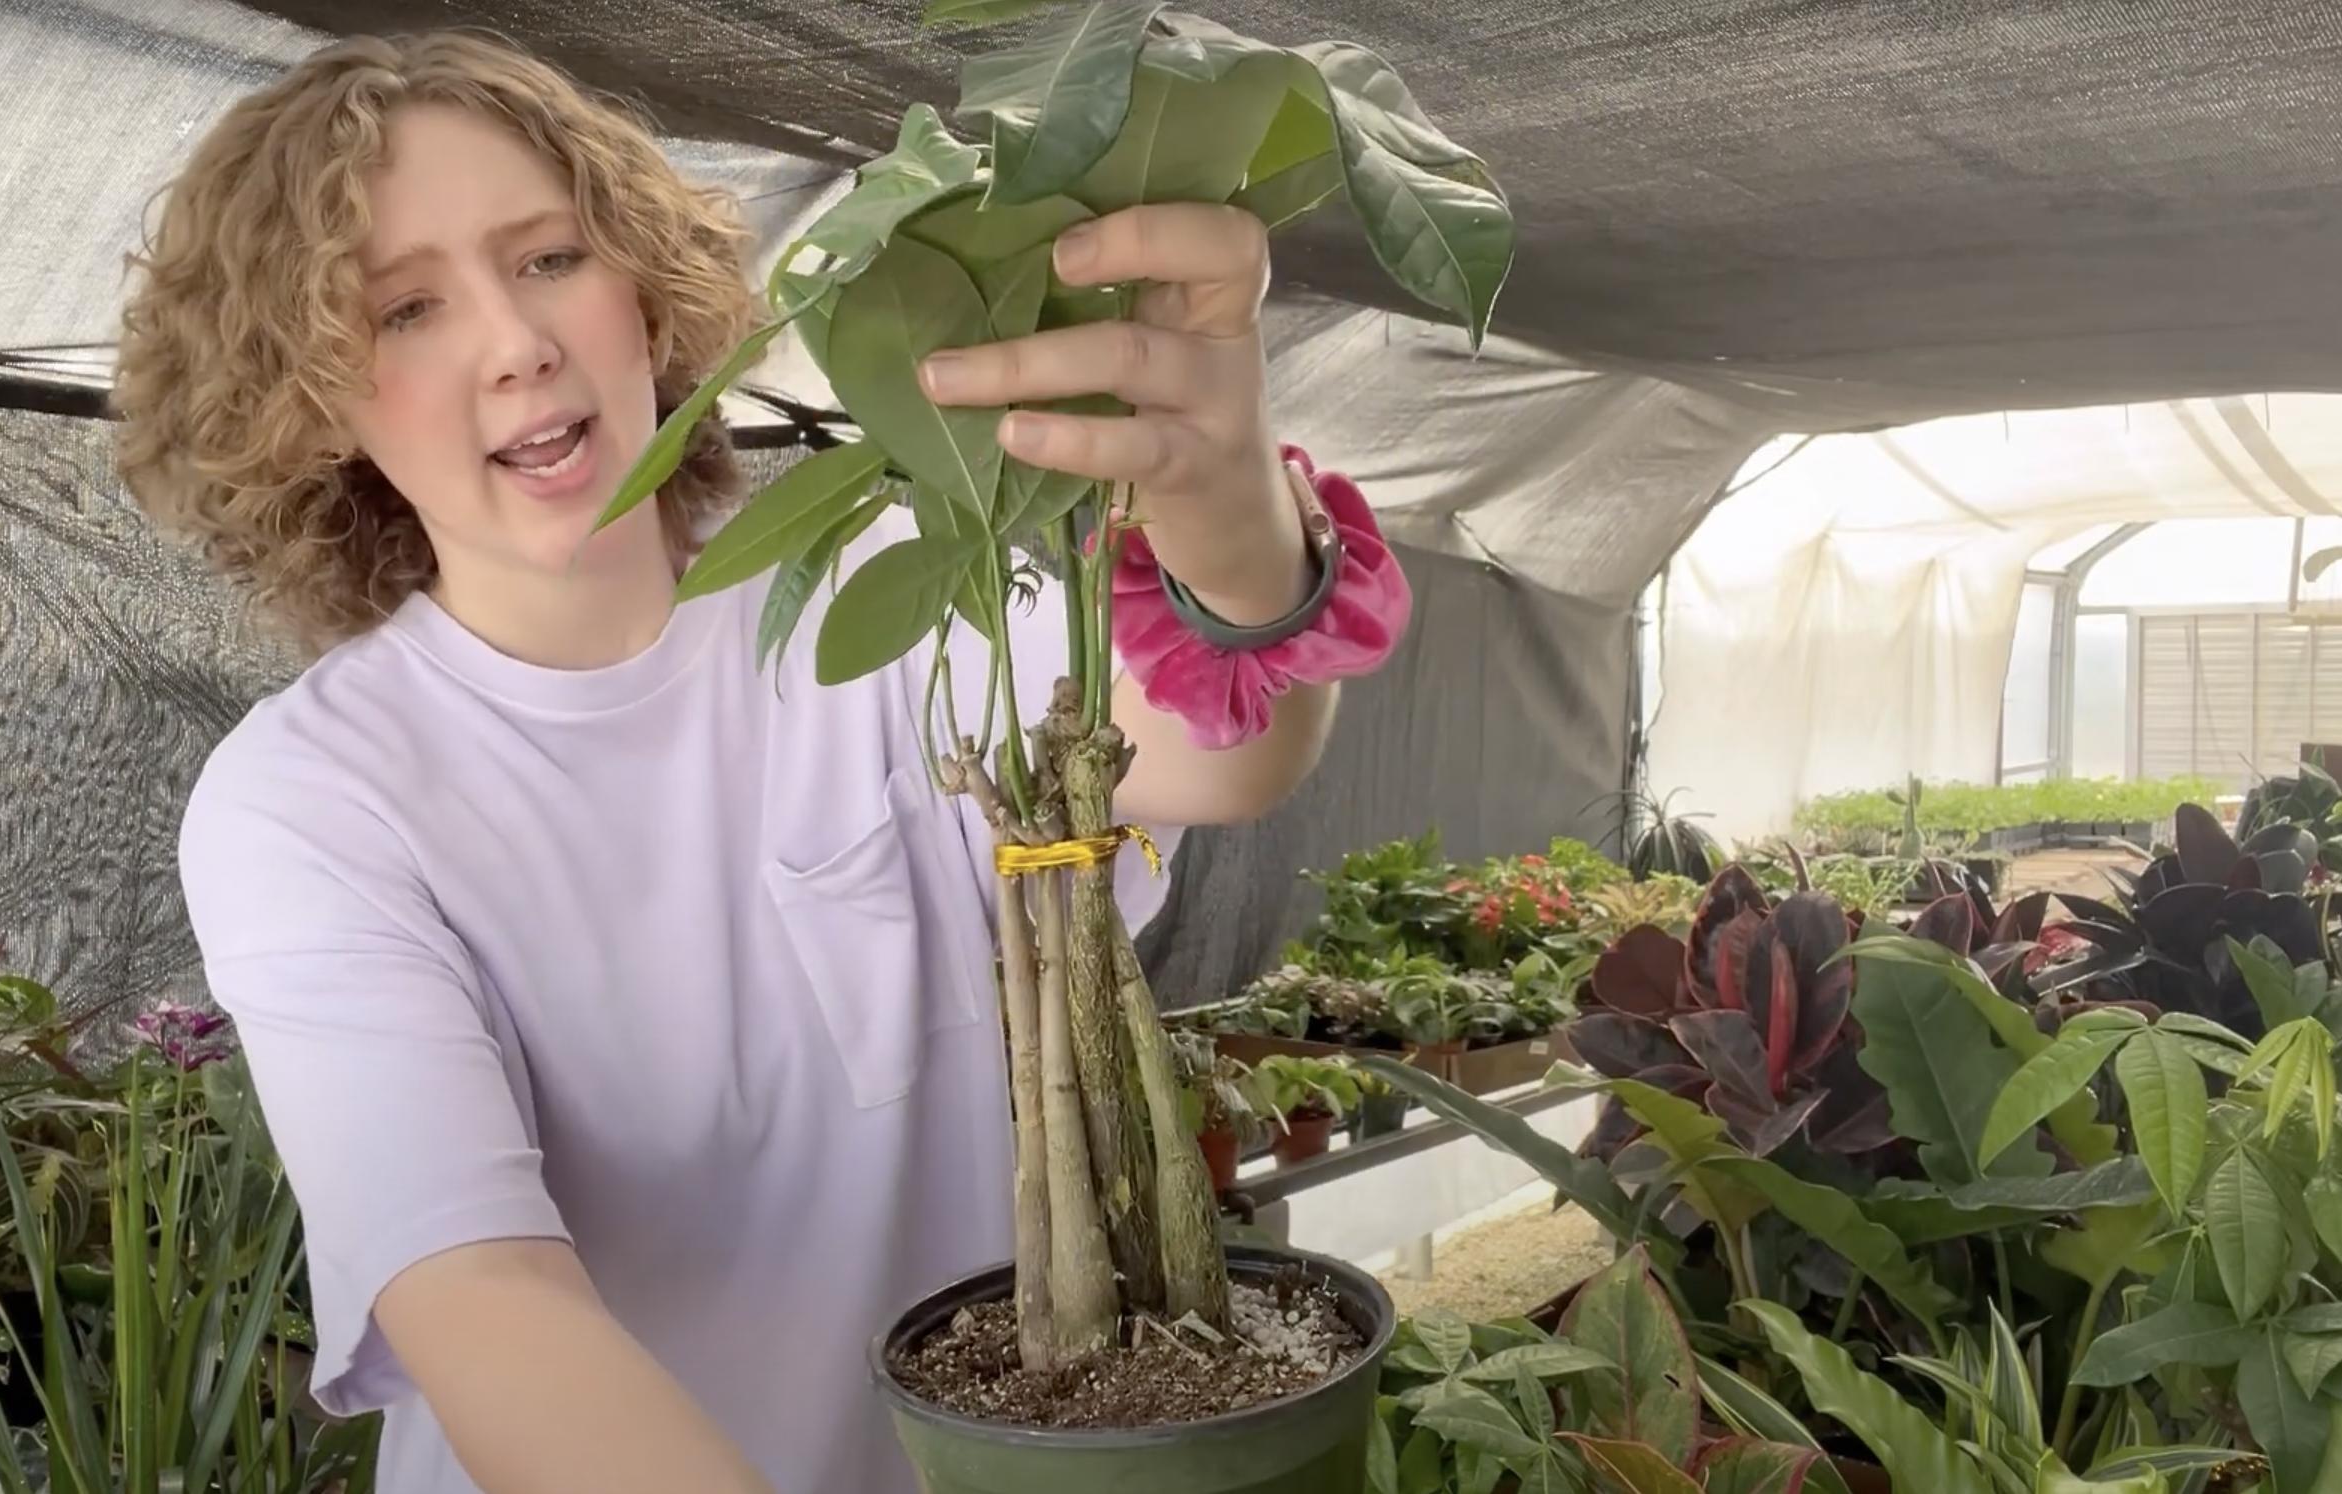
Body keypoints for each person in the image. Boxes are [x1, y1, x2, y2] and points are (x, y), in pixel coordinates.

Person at [112, 27, 1402, 1494]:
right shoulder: (316, 799)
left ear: (642, 289)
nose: (514, 342)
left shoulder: (889, 585)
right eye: (404, 309)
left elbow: (1220, 753)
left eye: (547, 259)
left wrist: (1225, 496)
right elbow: (477, 1292)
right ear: (308, 402)